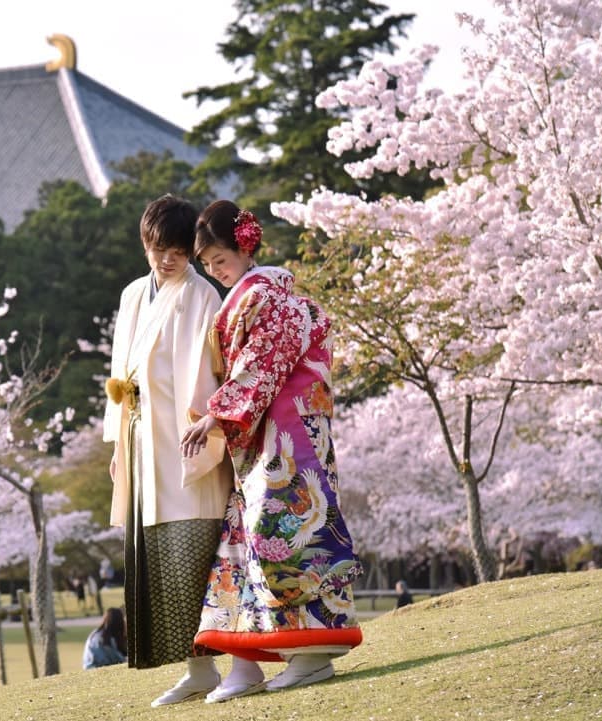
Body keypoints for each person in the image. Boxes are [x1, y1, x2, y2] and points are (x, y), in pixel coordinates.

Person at [181, 200, 363, 702]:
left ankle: (313, 653)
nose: (215, 271)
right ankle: (266, 657)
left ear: (245, 247)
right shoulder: (254, 297)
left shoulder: (270, 298)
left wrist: (218, 414)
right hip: (271, 434)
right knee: (258, 538)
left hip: (289, 436)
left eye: (220, 260)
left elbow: (262, 365)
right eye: (208, 264)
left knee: (286, 532)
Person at [102, 194, 233, 706]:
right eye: (159, 250)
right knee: (158, 558)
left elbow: (208, 372)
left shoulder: (202, 296)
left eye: (178, 251)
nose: (168, 260)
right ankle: (196, 669)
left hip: (183, 440)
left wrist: (205, 426)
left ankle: (227, 663)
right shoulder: (134, 294)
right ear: (145, 246)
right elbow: (121, 372)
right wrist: (118, 443)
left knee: (195, 554)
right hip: (142, 441)